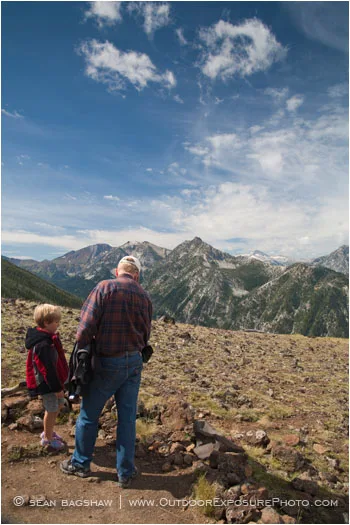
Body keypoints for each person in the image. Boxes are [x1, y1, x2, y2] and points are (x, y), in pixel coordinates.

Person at [60, 255, 152, 487]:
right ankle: (126, 472)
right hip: (134, 362)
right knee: (127, 419)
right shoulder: (144, 296)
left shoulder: (104, 287)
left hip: (106, 363)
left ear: (117, 270)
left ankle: (81, 463)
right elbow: (146, 334)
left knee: (89, 415)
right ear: (137, 275)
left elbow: (84, 330)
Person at [25, 304, 69, 451]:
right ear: (46, 322)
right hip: (48, 384)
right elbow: (47, 369)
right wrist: (56, 387)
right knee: (51, 409)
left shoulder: (48, 339)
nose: (58, 324)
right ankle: (47, 439)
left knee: (59, 404)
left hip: (53, 382)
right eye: (55, 321)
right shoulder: (43, 344)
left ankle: (48, 431)